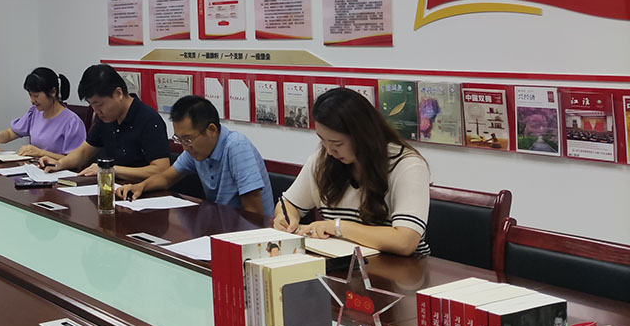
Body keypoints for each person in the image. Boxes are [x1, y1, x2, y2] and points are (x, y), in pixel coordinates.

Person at [274, 87, 430, 257]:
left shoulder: (407, 165)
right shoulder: (323, 160)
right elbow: (288, 204)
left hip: (402, 268)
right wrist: (285, 218)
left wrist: (338, 227)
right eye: (322, 140)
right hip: (342, 263)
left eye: (337, 143)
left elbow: (405, 241)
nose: (329, 150)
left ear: (363, 135)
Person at [116, 95, 273, 217]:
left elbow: (254, 214)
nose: (185, 147)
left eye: (188, 139)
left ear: (211, 130)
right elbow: (166, 178)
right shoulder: (196, 151)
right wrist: (140, 186)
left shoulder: (236, 147)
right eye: (179, 139)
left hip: (251, 232)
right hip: (221, 223)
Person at [39, 64, 170, 181]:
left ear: (118, 93)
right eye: (91, 105)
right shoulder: (106, 119)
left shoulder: (149, 119)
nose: (97, 111)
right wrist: (59, 164)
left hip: (143, 193)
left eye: (99, 104)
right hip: (112, 188)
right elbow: (84, 152)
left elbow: (161, 169)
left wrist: (110, 169)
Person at [0, 67, 86, 160]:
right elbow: (11, 133)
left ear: (53, 92)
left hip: (58, 173)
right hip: (34, 170)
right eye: (30, 95)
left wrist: (41, 153)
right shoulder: (34, 113)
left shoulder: (72, 122)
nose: (32, 101)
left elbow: (76, 160)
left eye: (36, 96)